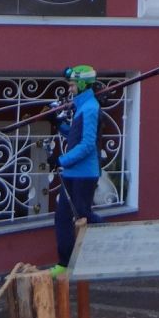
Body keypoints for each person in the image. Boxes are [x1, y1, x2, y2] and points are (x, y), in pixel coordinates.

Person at [53, 64, 100, 268]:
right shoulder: (81, 106)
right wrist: (58, 124)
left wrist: (61, 161)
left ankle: (118, 238)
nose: (70, 89)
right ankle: (65, 264)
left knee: (83, 213)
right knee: (63, 217)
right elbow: (74, 135)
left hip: (85, 174)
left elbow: (87, 145)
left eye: (72, 85)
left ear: (81, 84)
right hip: (72, 173)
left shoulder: (90, 108)